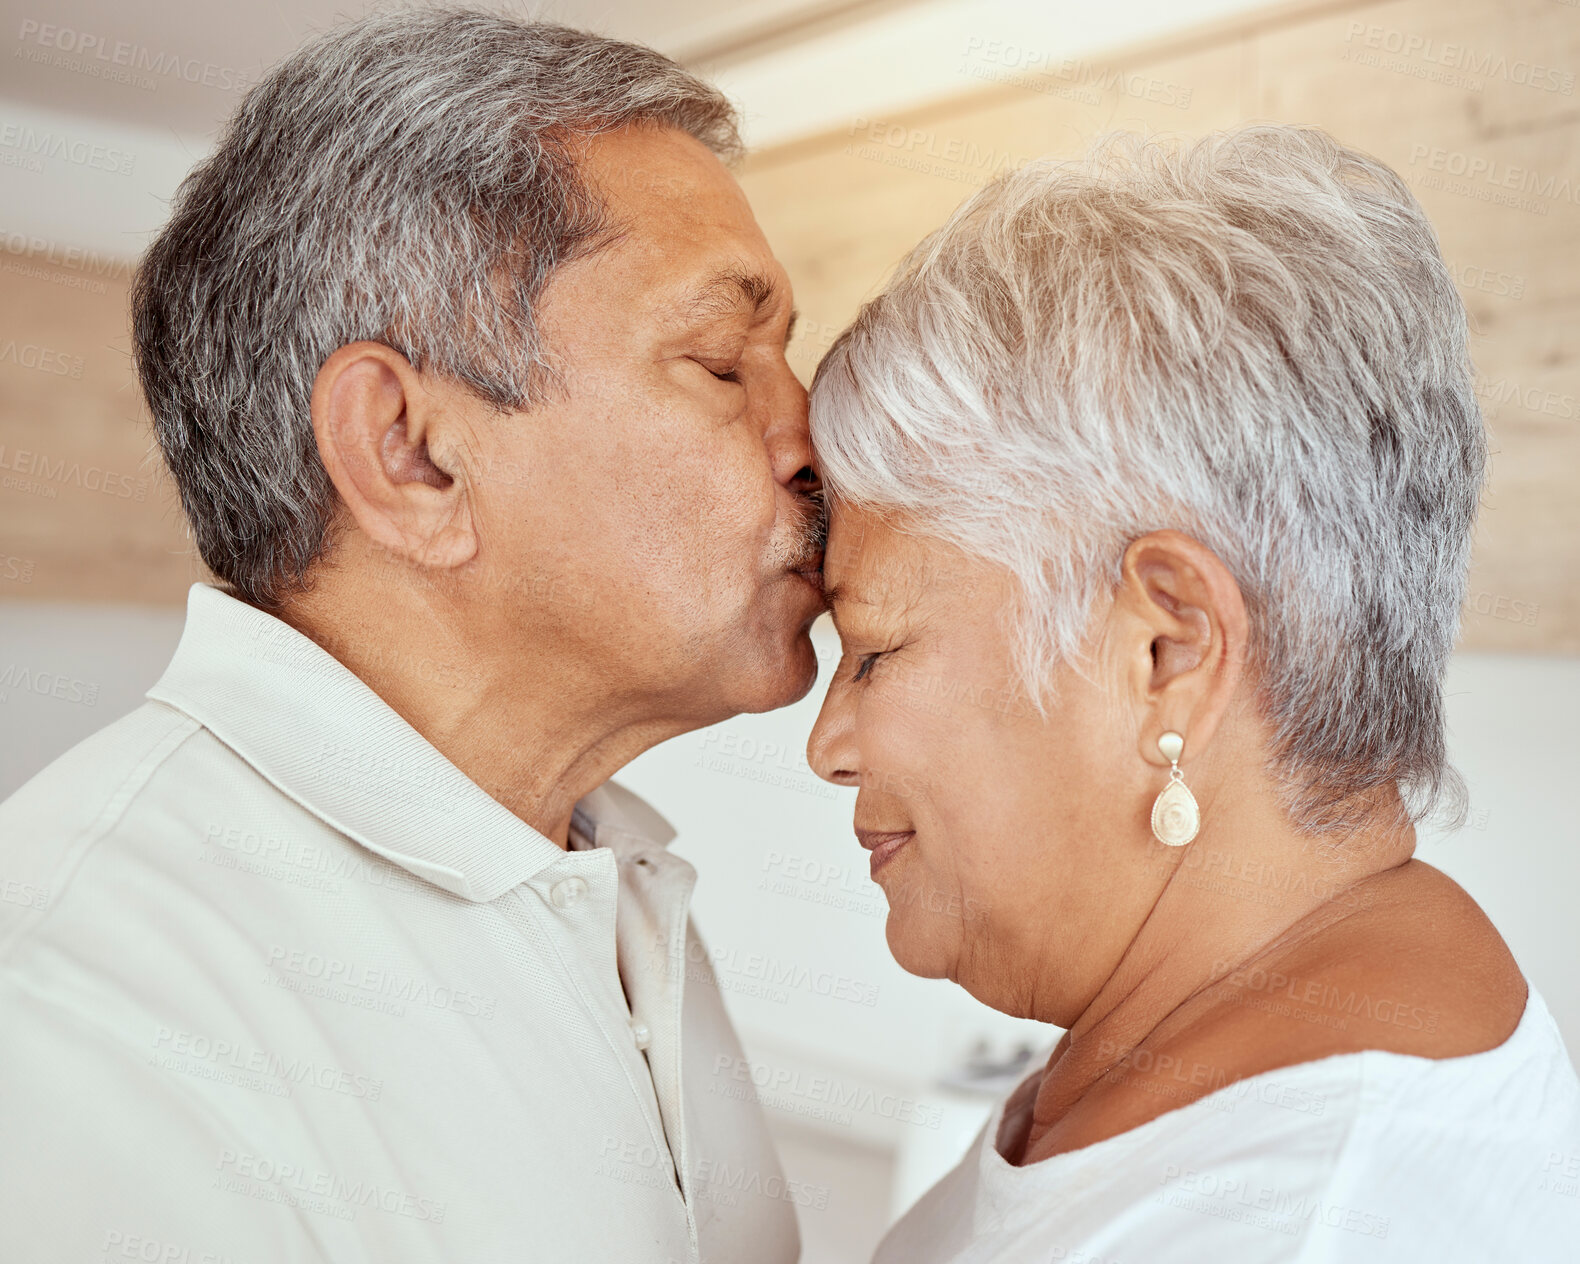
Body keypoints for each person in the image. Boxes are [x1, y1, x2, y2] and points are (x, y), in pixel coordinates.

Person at [0, 10, 823, 1262]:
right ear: (412, 456)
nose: (810, 441)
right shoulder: (76, 1013)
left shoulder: (598, 869)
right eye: (721, 362)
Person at [804, 125, 1580, 1261]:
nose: (826, 743)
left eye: (871, 650)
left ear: (1165, 651)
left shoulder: (1306, 1225)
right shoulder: (1190, 1046)